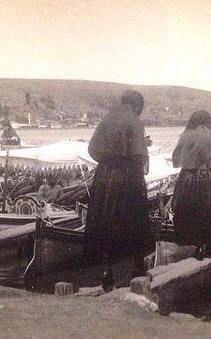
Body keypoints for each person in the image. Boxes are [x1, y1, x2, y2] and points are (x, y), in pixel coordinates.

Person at [84, 89, 150, 291]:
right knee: (135, 221)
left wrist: (108, 161)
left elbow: (92, 149)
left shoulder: (107, 119)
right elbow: (139, 154)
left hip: (105, 177)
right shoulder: (135, 121)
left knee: (106, 222)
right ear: (137, 105)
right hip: (128, 177)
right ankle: (137, 268)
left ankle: (107, 271)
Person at [171, 110, 211, 259]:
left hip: (187, 179)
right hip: (208, 178)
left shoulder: (185, 135)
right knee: (210, 210)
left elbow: (175, 159)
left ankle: (196, 246)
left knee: (192, 211)